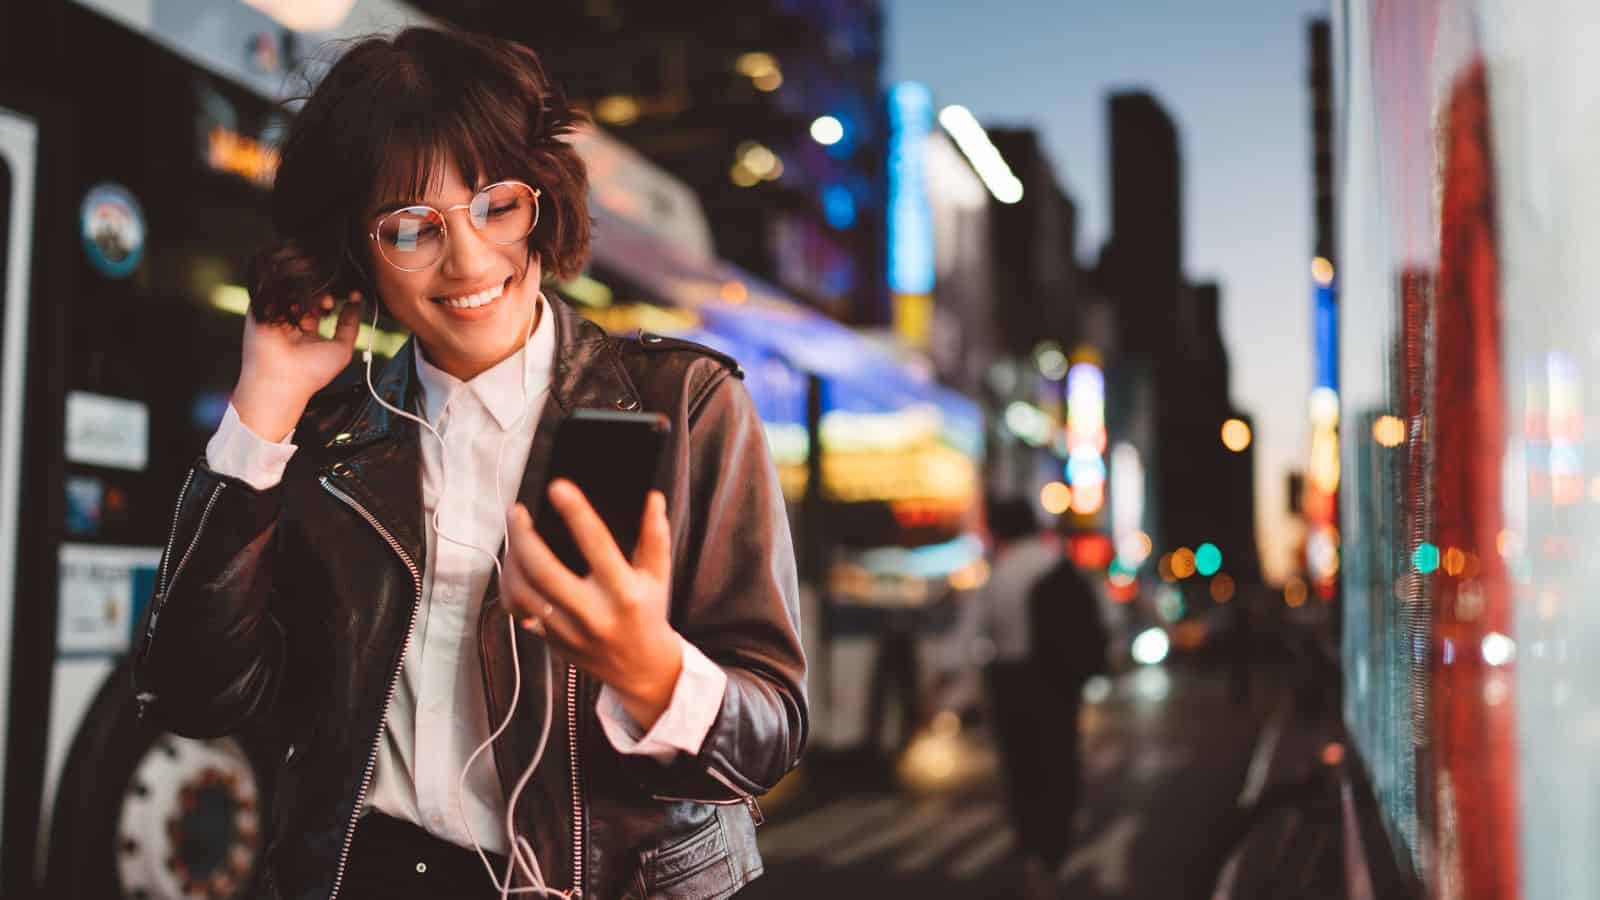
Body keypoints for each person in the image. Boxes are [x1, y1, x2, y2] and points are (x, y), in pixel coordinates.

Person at [131, 27, 806, 900]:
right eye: (412, 227)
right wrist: (264, 402)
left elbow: (773, 733)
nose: (470, 259)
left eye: (496, 204)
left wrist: (651, 670)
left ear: (542, 201)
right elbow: (193, 696)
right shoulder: (335, 432)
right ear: (356, 251)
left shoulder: (684, 403)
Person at [977, 497, 1107, 900]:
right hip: (1056, 685)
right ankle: (1054, 854)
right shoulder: (1059, 563)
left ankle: (1032, 850)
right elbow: (1102, 622)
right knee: (1059, 765)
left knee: (1022, 771)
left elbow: (979, 635)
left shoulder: (1001, 573)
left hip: (1010, 684)